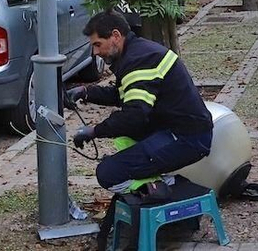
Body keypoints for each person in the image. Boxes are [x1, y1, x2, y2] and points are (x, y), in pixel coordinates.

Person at [67, 11, 214, 196]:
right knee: (124, 144)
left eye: (98, 44)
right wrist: (86, 92)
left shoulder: (139, 60)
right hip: (175, 128)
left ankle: (172, 188)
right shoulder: (138, 51)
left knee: (108, 173)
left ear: (115, 36)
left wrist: (95, 131)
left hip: (187, 138)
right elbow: (123, 94)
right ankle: (154, 176)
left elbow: (134, 115)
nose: (95, 52)